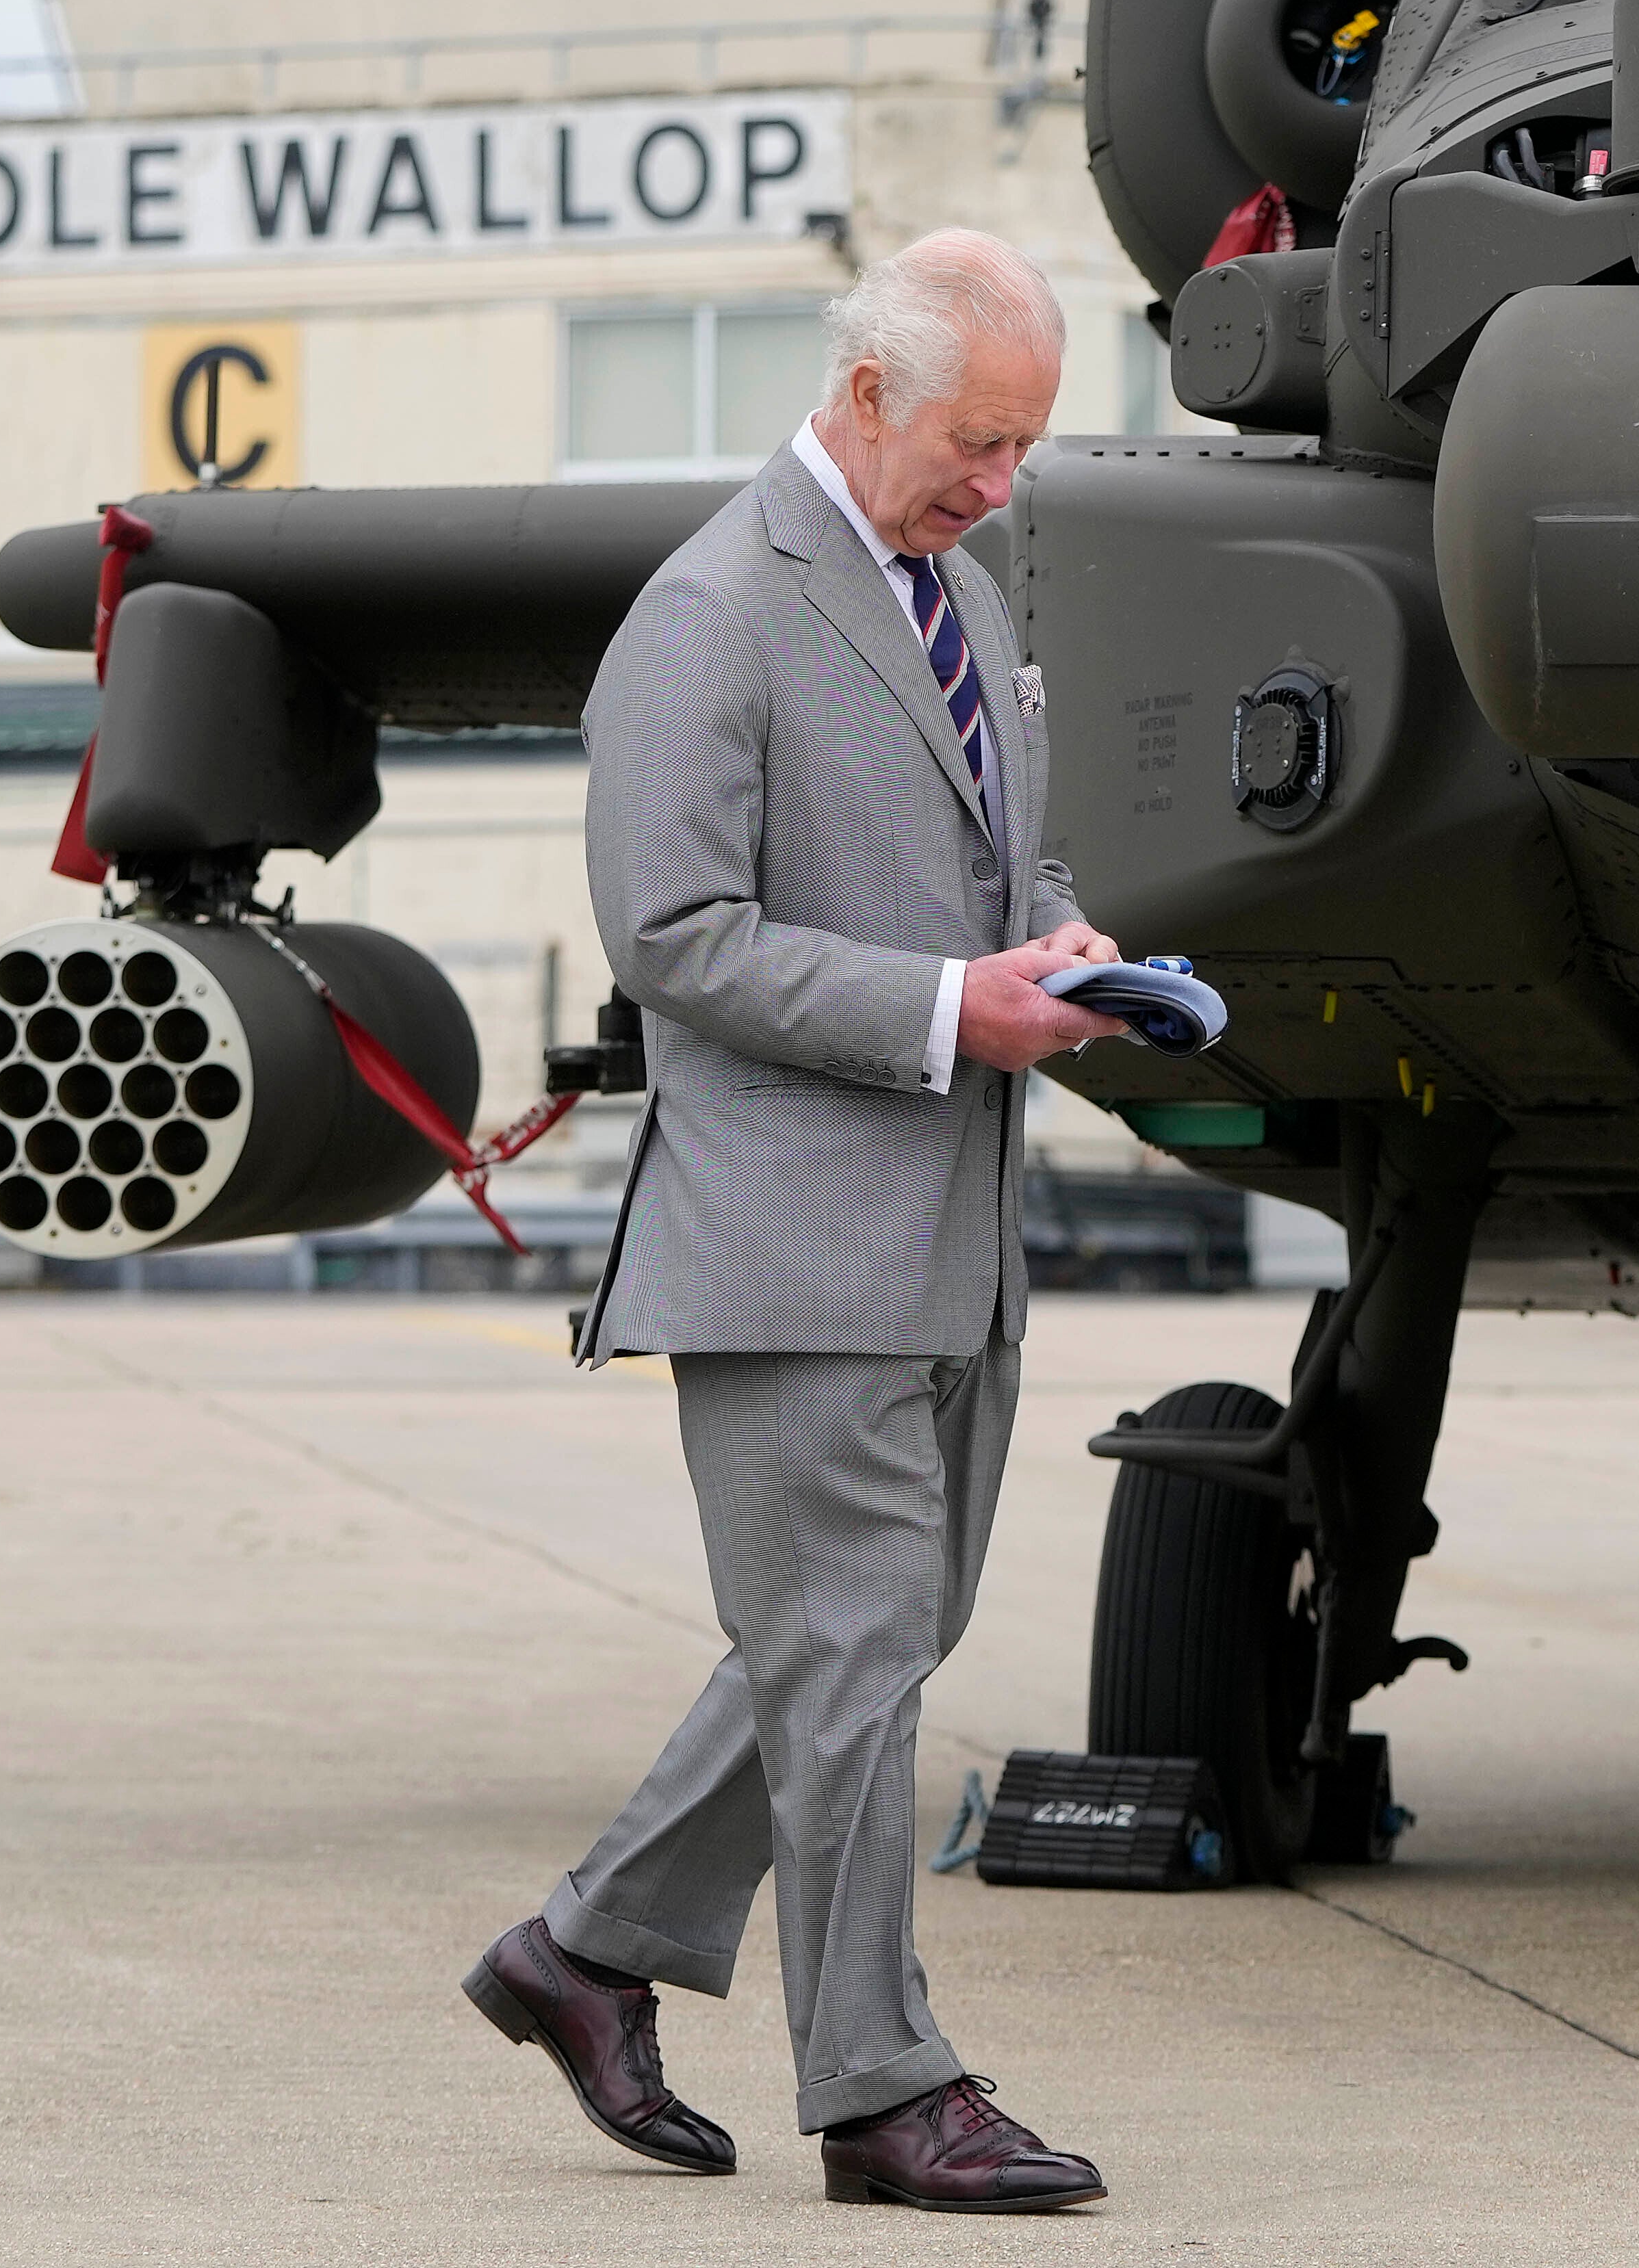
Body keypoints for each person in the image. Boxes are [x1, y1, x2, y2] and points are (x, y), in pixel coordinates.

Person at [461, 228, 1132, 2215]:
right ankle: (884, 2091)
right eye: (976, 442)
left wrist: (1061, 950)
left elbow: (997, 861)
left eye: (1022, 446)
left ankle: (585, 1955)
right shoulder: (707, 614)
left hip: (950, 1236)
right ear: (861, 394)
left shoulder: (955, 586)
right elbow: (672, 937)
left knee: (874, 1634)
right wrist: (947, 1010)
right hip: (791, 1241)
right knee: (845, 1656)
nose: (999, 483)